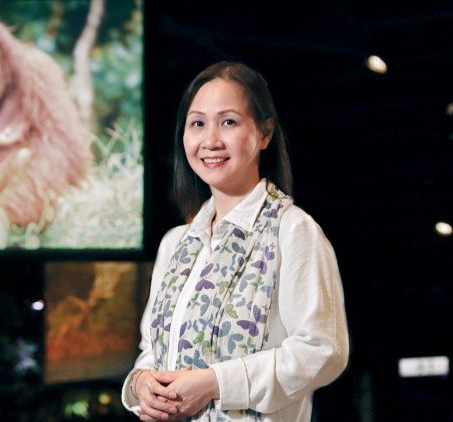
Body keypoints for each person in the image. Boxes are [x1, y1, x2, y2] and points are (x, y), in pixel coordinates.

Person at [121, 61, 349, 421]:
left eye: (228, 121)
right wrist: (140, 386)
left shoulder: (291, 230)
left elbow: (322, 351)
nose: (210, 140)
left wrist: (216, 383)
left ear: (264, 133)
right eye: (197, 123)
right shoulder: (176, 244)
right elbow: (154, 351)